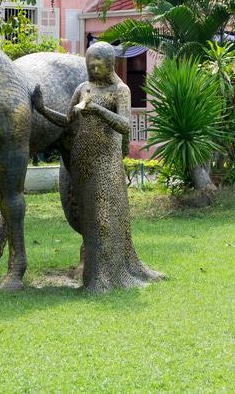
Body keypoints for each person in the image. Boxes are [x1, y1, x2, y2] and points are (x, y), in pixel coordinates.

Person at [31, 42, 162, 292]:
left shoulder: (120, 90)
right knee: (90, 219)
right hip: (82, 159)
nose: (93, 69)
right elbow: (68, 121)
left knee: (105, 217)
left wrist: (98, 110)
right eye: (90, 65)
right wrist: (42, 109)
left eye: (98, 65)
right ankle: (94, 277)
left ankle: (109, 276)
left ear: (110, 64)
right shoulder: (83, 88)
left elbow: (125, 126)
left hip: (106, 160)